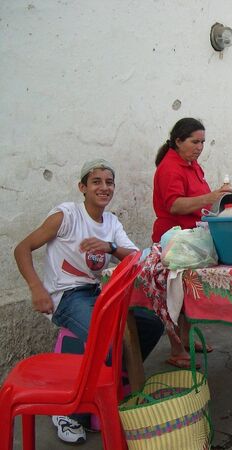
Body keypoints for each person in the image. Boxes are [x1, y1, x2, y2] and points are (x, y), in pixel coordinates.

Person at [13, 159, 164, 444]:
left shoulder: (111, 223)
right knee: (107, 340)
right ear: (83, 187)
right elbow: (22, 248)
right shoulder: (67, 215)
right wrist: (37, 288)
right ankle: (71, 413)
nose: (103, 187)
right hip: (66, 297)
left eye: (109, 182)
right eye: (96, 182)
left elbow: (135, 258)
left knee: (152, 325)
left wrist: (109, 247)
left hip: (97, 292)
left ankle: (115, 385)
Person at [153, 117, 232, 368]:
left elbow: (201, 201)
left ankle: (186, 340)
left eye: (202, 142)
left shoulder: (193, 166)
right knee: (174, 296)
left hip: (192, 239)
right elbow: (175, 205)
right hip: (174, 241)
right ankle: (176, 350)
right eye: (194, 141)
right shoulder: (169, 168)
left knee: (186, 294)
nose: (199, 147)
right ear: (178, 141)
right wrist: (210, 197)